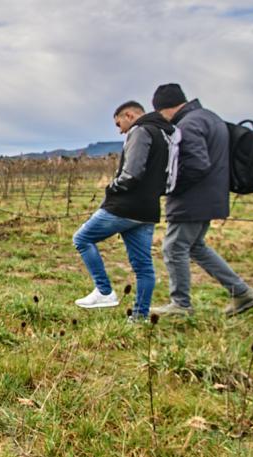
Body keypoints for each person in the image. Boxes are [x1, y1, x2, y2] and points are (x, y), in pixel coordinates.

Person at [150, 84, 253, 316]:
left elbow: (196, 165)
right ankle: (242, 293)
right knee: (195, 247)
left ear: (165, 109)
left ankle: (180, 304)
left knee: (174, 247)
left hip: (193, 199)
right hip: (210, 196)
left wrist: (168, 188)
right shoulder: (209, 117)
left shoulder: (188, 124)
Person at [72, 101, 179, 319]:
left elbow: (132, 172)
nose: (120, 130)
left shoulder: (140, 131)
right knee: (143, 267)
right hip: (148, 210)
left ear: (129, 115)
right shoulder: (165, 135)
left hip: (125, 206)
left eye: (119, 123)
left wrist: (112, 187)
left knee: (82, 239)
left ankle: (104, 291)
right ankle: (139, 317)